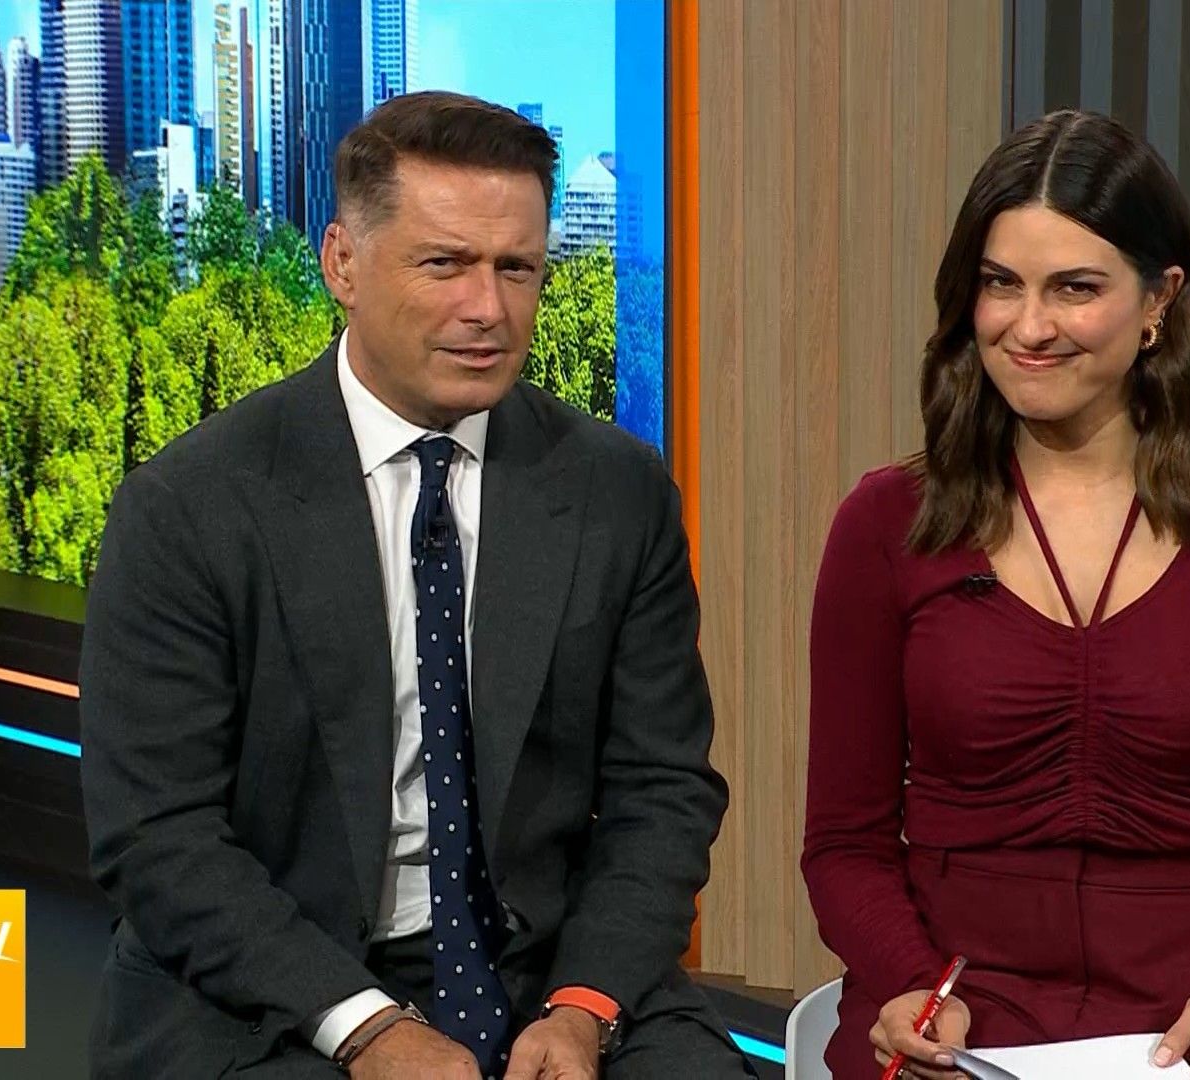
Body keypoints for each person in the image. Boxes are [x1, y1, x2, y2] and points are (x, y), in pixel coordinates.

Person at [79, 91, 751, 1080]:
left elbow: (663, 792)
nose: (488, 309)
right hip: (274, 983)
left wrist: (583, 1004)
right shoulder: (190, 505)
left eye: (516, 268)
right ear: (342, 263)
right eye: (444, 264)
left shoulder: (616, 493)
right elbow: (157, 837)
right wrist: (367, 1027)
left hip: (547, 966)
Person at [800, 109, 1190, 1080]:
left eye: (1075, 288)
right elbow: (843, 842)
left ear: (1160, 299)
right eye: (1001, 284)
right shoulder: (886, 524)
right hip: (955, 1027)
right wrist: (910, 984)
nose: (1029, 327)